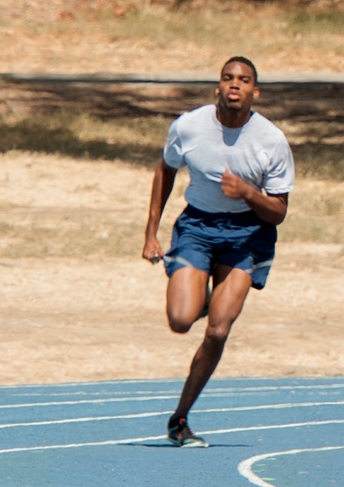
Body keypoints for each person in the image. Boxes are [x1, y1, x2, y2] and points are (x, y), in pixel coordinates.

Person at [142, 56, 295, 448]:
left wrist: (247, 193)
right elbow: (165, 169)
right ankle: (201, 295)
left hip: (248, 234)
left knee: (218, 331)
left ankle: (180, 418)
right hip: (198, 227)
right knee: (180, 320)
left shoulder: (271, 139)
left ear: (254, 92)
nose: (235, 85)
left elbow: (278, 212)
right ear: (218, 87)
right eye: (228, 78)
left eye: (244, 80)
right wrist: (151, 233)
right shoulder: (189, 126)